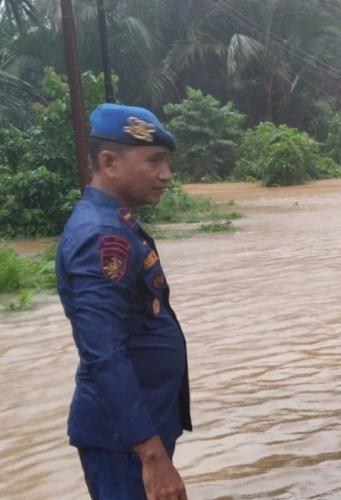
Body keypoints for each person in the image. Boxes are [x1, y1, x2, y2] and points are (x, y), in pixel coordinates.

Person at [56, 103, 191, 499]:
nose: (166, 175)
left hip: (137, 431)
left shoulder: (118, 223)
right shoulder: (102, 237)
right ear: (109, 162)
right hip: (126, 443)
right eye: (154, 161)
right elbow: (104, 353)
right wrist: (151, 456)